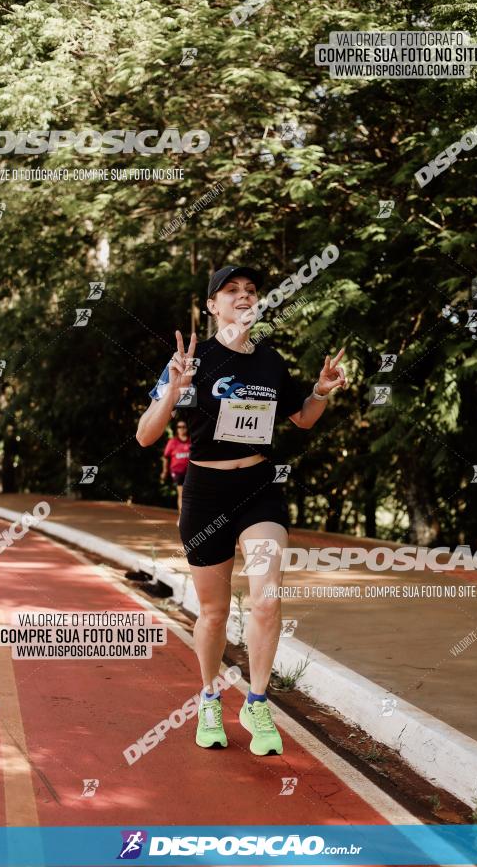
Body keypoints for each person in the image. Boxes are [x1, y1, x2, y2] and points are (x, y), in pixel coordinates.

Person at [136, 265, 348, 757]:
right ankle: (209, 696)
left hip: (259, 487)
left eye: (250, 291)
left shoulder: (271, 362)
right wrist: (173, 388)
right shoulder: (193, 360)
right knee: (212, 611)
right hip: (206, 491)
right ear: (212, 306)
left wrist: (319, 390)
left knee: (267, 597)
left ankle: (256, 700)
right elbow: (147, 435)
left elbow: (302, 419)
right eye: (230, 291)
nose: (242, 297)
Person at [160, 420, 191, 524]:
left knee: (192, 494)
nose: (181, 429)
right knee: (182, 494)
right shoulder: (172, 442)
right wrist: (164, 471)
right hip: (178, 472)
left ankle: (191, 516)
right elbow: (165, 457)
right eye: (179, 427)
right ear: (177, 429)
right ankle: (182, 517)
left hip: (191, 472)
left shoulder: (191, 441)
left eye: (184, 426)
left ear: (187, 428)